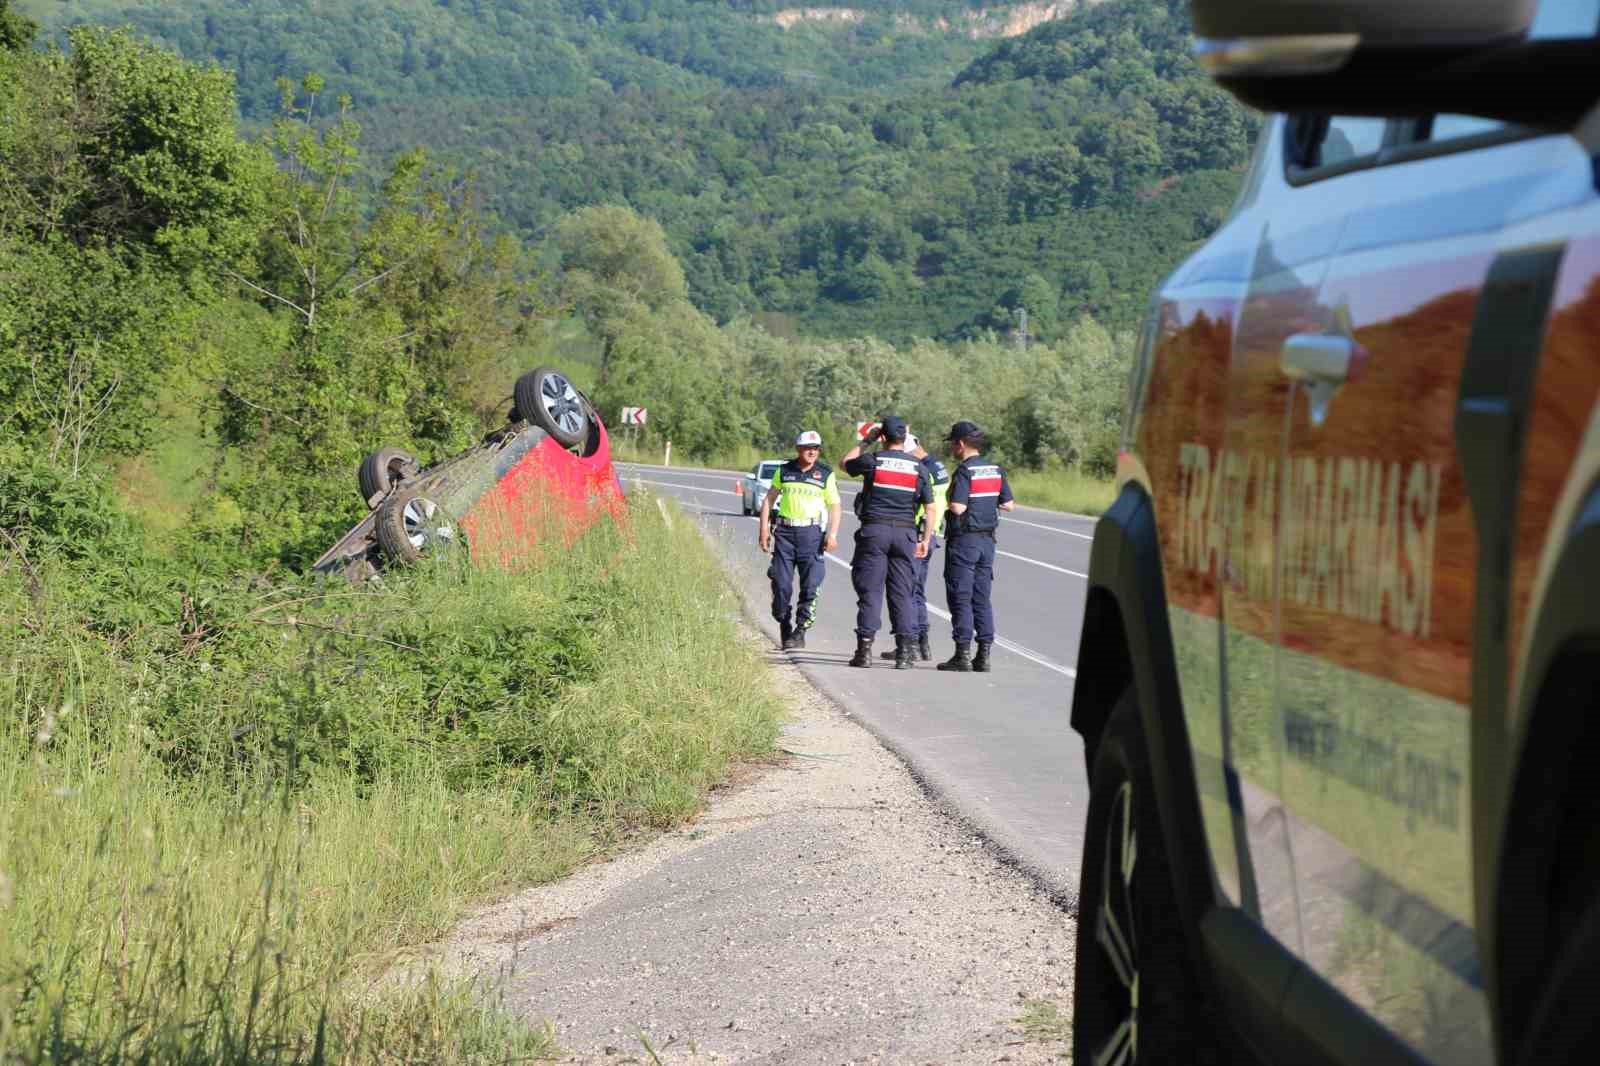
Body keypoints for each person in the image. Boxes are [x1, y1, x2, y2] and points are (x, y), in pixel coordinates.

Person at [840, 415, 933, 669]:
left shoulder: (874, 460)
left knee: (871, 592)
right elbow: (931, 507)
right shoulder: (919, 467)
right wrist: (925, 539)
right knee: (902, 593)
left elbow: (845, 463)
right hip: (905, 535)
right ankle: (904, 654)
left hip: (875, 532)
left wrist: (866, 441)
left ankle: (864, 651)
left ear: (883, 437)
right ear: (904, 438)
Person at [937, 420, 1014, 673]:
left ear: (960, 444)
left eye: (953, 444)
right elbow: (1008, 504)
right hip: (987, 542)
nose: (952, 449)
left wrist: (953, 503)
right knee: (981, 597)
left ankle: (962, 655)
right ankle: (984, 655)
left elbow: (958, 507)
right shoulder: (995, 469)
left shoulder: (964, 471)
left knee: (961, 596)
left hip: (964, 541)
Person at [759, 430, 841, 650]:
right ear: (798, 449)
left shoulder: (825, 474)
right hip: (785, 534)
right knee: (781, 585)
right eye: (807, 447)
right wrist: (764, 530)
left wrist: (832, 534)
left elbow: (835, 506)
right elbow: (769, 500)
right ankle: (783, 620)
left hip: (812, 535)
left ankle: (800, 630)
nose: (812, 451)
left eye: (816, 448)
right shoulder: (784, 470)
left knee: (810, 586)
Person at [880, 433, 949, 663]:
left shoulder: (921, 469)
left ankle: (912, 644)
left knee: (907, 592)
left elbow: (924, 504)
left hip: (918, 535)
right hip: (930, 534)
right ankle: (922, 644)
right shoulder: (938, 466)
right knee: (916, 591)